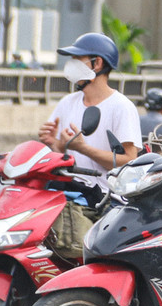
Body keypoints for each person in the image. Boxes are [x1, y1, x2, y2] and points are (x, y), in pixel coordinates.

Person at [38, 32, 141, 204]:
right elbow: (61, 155)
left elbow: (129, 161)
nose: (71, 64)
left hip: (105, 199)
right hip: (70, 193)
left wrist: (83, 148)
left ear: (97, 63)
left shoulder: (121, 107)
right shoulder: (67, 103)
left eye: (77, 58)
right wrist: (54, 144)